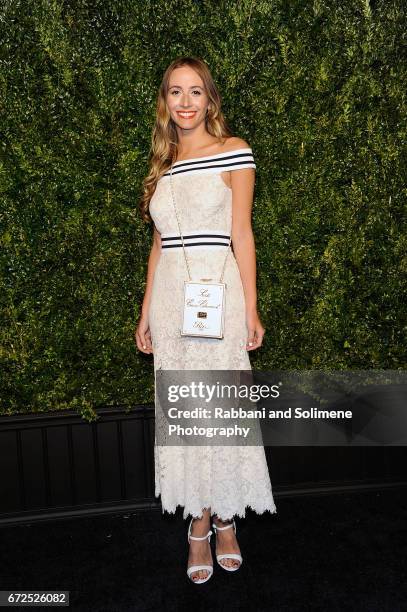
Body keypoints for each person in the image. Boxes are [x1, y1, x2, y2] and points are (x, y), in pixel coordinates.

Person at [135, 56, 277, 585]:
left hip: (218, 292)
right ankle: (196, 520)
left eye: (196, 91)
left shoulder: (234, 151)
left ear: (210, 99)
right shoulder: (163, 164)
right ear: (165, 102)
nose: (186, 102)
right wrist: (147, 309)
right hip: (172, 300)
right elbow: (157, 247)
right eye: (176, 92)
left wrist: (252, 306)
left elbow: (242, 232)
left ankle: (225, 520)